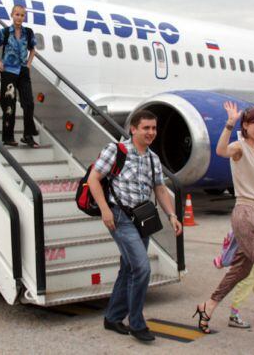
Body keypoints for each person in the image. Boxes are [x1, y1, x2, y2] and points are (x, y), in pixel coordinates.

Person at [193, 102, 254, 348]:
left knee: (241, 270)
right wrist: (228, 123)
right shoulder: (240, 147)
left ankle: (208, 306)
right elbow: (221, 150)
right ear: (245, 125)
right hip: (246, 215)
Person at [88, 110, 183, 343]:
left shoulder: (153, 158)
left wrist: (172, 214)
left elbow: (160, 188)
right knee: (142, 268)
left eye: (154, 128)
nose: (151, 132)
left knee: (129, 268)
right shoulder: (116, 151)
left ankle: (112, 317)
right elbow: (93, 179)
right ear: (133, 129)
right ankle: (137, 323)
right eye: (146, 128)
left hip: (143, 219)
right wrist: (104, 209)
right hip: (120, 217)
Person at [0, 4, 39, 147]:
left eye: (22, 15)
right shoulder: (5, 32)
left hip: (23, 71)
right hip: (8, 71)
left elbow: (33, 49)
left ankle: (28, 136)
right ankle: (8, 136)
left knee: (28, 103)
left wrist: (28, 64)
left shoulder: (28, 32)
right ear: (12, 15)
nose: (19, 17)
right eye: (17, 14)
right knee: (9, 105)